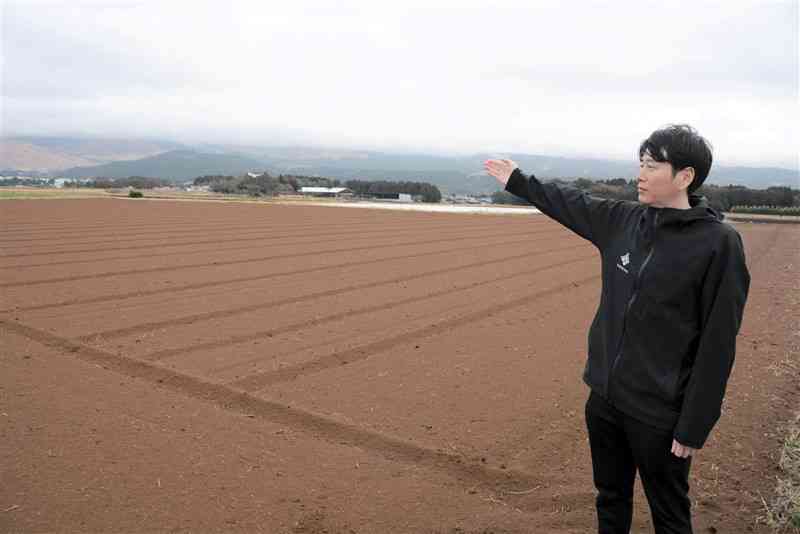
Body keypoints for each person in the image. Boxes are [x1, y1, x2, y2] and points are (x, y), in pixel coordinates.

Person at [484, 124, 750, 534]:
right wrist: (520, 182)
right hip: (605, 399)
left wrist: (695, 423)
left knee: (669, 513)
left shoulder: (719, 244)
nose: (639, 174)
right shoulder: (623, 221)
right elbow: (571, 202)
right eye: (640, 164)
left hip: (660, 412)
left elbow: (718, 343)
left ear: (685, 176)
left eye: (651, 165)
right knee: (610, 500)